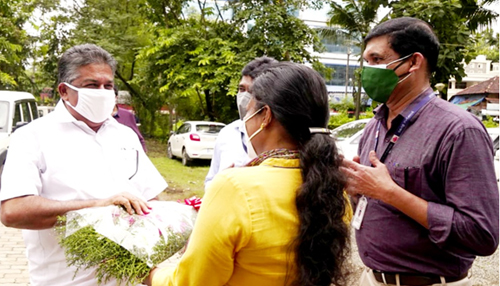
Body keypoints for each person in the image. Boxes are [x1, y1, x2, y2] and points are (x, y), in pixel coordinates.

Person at [146, 62, 351, 286]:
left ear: (265, 117)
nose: (245, 121)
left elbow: (191, 282)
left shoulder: (234, 187)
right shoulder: (335, 188)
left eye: (249, 111)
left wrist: (153, 274)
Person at [340, 17, 499, 286]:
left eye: (377, 60)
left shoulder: (458, 130)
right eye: (366, 61)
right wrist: (357, 189)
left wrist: (390, 193)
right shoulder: (374, 127)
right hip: (372, 279)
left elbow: (481, 234)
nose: (368, 70)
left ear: (413, 62)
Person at [0, 44, 168, 286]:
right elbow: (13, 211)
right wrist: (98, 207)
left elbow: (151, 199)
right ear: (64, 91)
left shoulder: (125, 135)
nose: (102, 92)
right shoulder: (32, 137)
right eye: (92, 85)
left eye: (108, 85)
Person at [204, 56, 277, 189]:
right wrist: (222, 183)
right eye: (241, 89)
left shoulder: (282, 139)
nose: (244, 98)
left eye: (252, 92)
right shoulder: (227, 133)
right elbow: (210, 181)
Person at [112, 85, 147, 152]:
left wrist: (141, 157)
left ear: (116, 98)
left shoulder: (127, 115)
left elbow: (139, 139)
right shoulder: (96, 117)